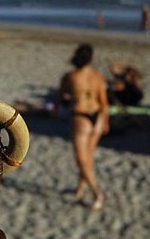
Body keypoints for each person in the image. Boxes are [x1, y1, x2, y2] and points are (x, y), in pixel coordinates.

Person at [53, 44, 108, 210]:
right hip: (97, 116)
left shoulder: (70, 77)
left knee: (81, 159)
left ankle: (96, 192)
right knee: (87, 158)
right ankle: (80, 188)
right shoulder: (97, 76)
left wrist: (55, 112)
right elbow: (104, 103)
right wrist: (104, 121)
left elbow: (59, 98)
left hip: (80, 118)